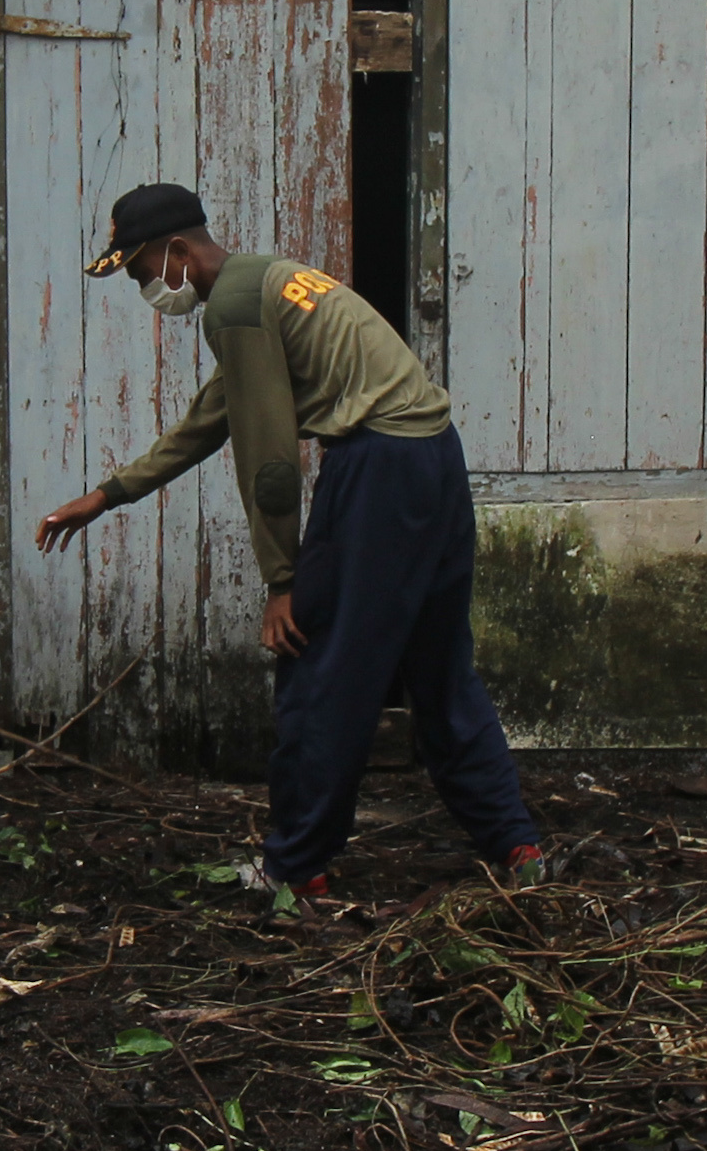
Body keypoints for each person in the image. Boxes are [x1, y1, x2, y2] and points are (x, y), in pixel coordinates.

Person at [32, 182, 548, 909]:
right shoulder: (267, 279)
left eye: (142, 269)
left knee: (317, 665)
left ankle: (296, 869)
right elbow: (210, 417)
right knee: (440, 668)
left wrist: (282, 582)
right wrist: (109, 493)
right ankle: (515, 845)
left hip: (376, 469)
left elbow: (268, 457)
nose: (145, 285)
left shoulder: (238, 305)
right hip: (434, 457)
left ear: (177, 250)